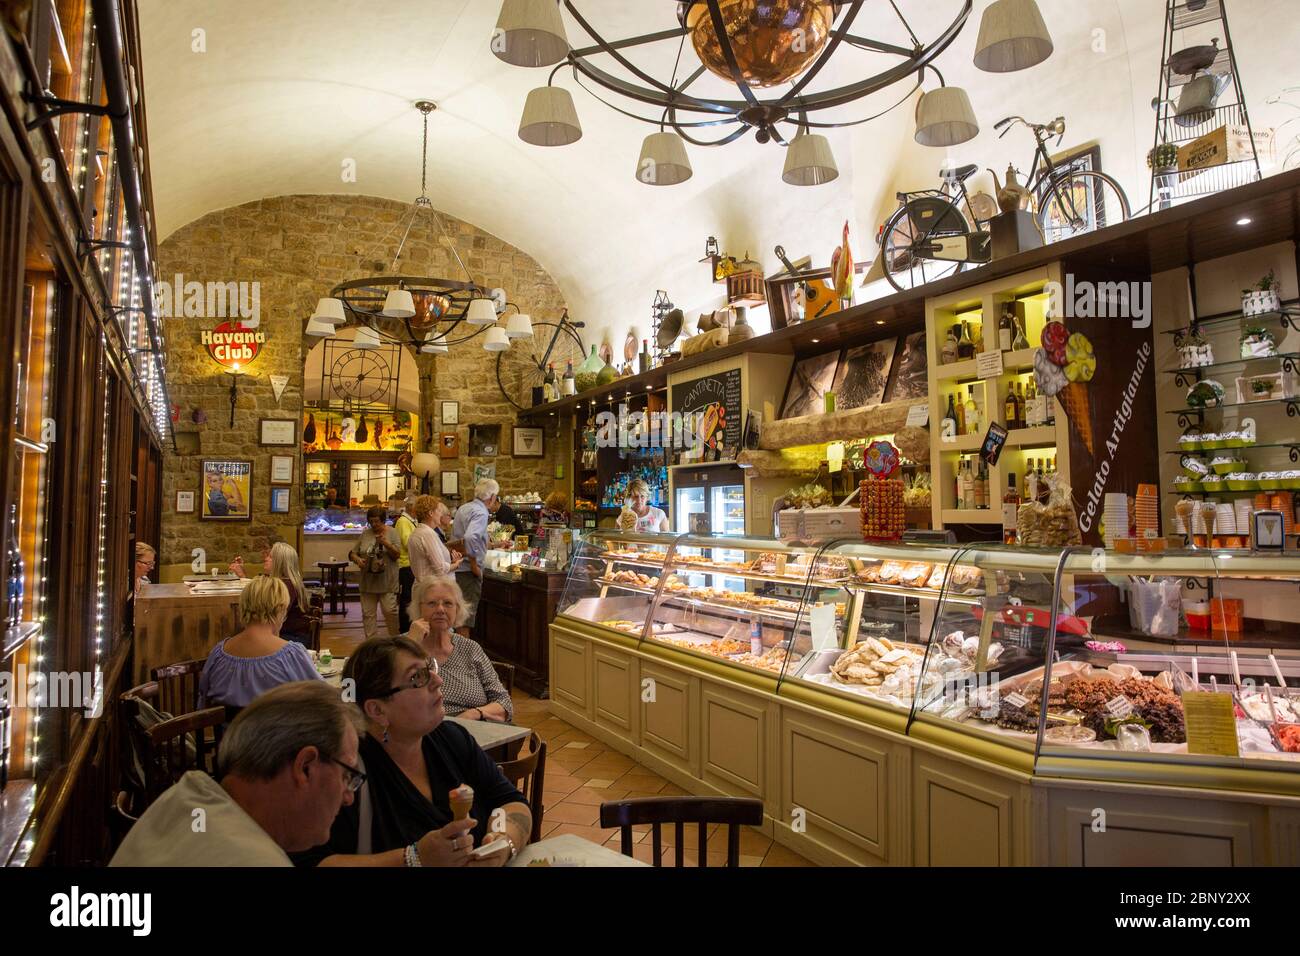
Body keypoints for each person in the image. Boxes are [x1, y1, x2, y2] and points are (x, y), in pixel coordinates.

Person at [291, 636, 532, 867]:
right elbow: (310, 861)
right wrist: (413, 859)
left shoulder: (452, 738)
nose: (437, 680)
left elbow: (509, 801)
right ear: (377, 710)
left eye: (430, 668)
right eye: (417, 677)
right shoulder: (345, 769)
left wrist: (503, 841)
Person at [110, 681, 364, 866]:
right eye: (347, 776)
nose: (349, 797)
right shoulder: (251, 860)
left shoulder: (187, 796)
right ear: (305, 766)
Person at [198, 575, 322, 709]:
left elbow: (203, 701)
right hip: (278, 722)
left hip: (230, 723)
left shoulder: (218, 654)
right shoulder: (291, 655)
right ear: (280, 610)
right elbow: (323, 697)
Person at [407, 575, 512, 722]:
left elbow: (504, 702)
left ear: (457, 609)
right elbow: (386, 696)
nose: (440, 609)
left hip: (473, 728)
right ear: (419, 608)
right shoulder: (403, 646)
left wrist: (474, 714)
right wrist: (410, 644)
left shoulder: (470, 648)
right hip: (421, 730)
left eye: (448, 603)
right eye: (432, 603)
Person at [230, 542, 313, 646]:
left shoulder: (287, 585)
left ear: (280, 562)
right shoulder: (280, 582)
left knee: (243, 639)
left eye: (270, 557)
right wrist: (242, 575)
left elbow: (267, 613)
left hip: (291, 638)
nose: (266, 559)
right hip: (281, 633)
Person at [451, 478, 496, 633]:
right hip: (468, 573)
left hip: (457, 570)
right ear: (492, 497)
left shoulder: (464, 508)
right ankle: (463, 650)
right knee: (464, 622)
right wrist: (474, 565)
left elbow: (462, 538)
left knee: (457, 618)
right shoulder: (481, 512)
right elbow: (470, 538)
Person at [350, 505, 400, 639]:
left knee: (390, 611)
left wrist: (386, 543)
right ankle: (371, 643)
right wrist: (358, 560)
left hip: (387, 582)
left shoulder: (392, 533)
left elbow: (397, 555)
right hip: (368, 582)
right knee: (368, 614)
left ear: (383, 520)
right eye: (371, 521)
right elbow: (353, 553)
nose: (374, 524)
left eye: (377, 521)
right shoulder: (365, 534)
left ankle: (395, 639)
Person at [408, 495, 461, 580]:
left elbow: (429, 564)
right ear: (431, 513)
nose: (441, 514)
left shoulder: (418, 532)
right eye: (439, 511)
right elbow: (440, 569)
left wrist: (451, 562)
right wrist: (456, 564)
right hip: (431, 585)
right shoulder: (427, 534)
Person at [393, 492, 418, 633]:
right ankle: (405, 630)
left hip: (411, 565)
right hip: (405, 565)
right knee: (406, 600)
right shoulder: (403, 522)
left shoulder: (411, 521)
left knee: (410, 598)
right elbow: (408, 543)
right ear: (412, 508)